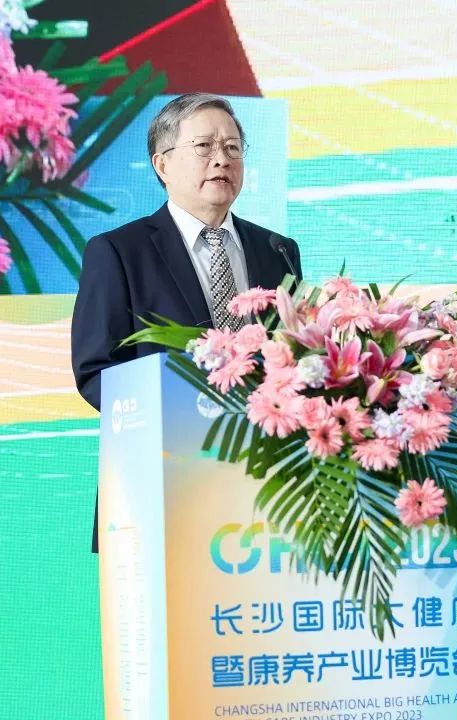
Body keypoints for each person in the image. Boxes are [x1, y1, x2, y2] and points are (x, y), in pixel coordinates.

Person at [71, 92, 302, 551]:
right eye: (204, 147)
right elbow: (96, 371)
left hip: (265, 486)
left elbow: (293, 355)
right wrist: (186, 415)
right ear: (162, 164)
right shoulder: (119, 252)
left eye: (233, 147)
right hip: (161, 479)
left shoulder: (278, 250)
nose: (222, 159)